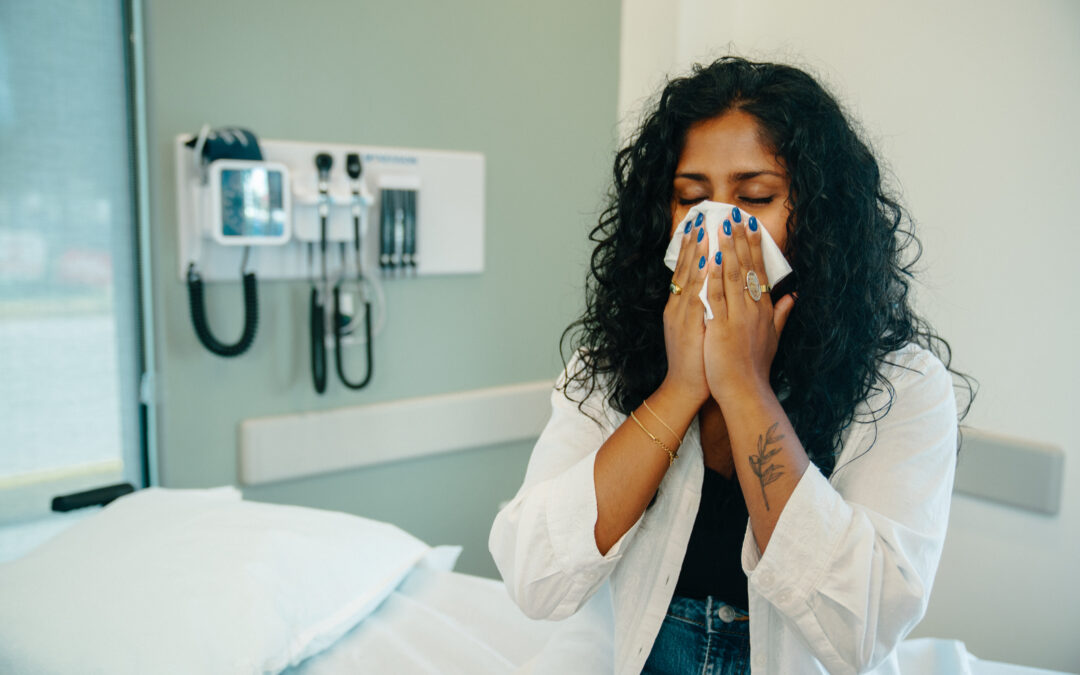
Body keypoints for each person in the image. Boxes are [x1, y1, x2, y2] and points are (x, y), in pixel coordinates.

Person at [489, 56, 974, 675]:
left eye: (756, 197)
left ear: (821, 218)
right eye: (692, 199)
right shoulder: (609, 367)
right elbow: (534, 577)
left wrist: (745, 388)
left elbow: (863, 630)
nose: (718, 229)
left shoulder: (903, 387)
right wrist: (680, 388)